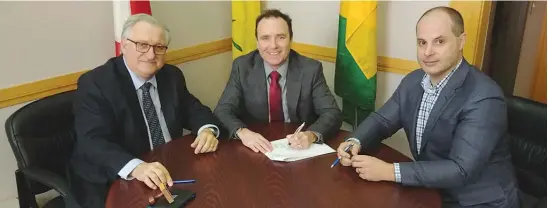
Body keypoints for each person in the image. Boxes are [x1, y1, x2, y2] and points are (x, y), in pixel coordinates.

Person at [336, 6, 519, 208]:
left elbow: (461, 170)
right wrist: (355, 140)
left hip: (478, 201)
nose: (428, 52)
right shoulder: (413, 81)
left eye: (439, 41)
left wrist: (389, 171)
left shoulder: (484, 96)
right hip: (431, 190)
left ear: (461, 41)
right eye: (422, 43)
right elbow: (382, 121)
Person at [65, 14, 224, 207]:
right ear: (124, 45)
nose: (151, 55)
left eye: (159, 47)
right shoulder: (97, 83)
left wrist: (206, 129)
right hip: (112, 179)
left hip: (166, 170)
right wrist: (137, 167)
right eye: (142, 45)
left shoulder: (171, 75)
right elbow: (93, 141)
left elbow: (193, 109)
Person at [214, 9, 342, 154]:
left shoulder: (310, 69)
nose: (273, 45)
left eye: (281, 37)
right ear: (257, 41)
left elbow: (332, 113)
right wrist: (243, 133)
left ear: (291, 39)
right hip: (256, 149)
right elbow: (222, 110)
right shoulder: (242, 67)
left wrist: (310, 135)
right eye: (265, 38)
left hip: (297, 150)